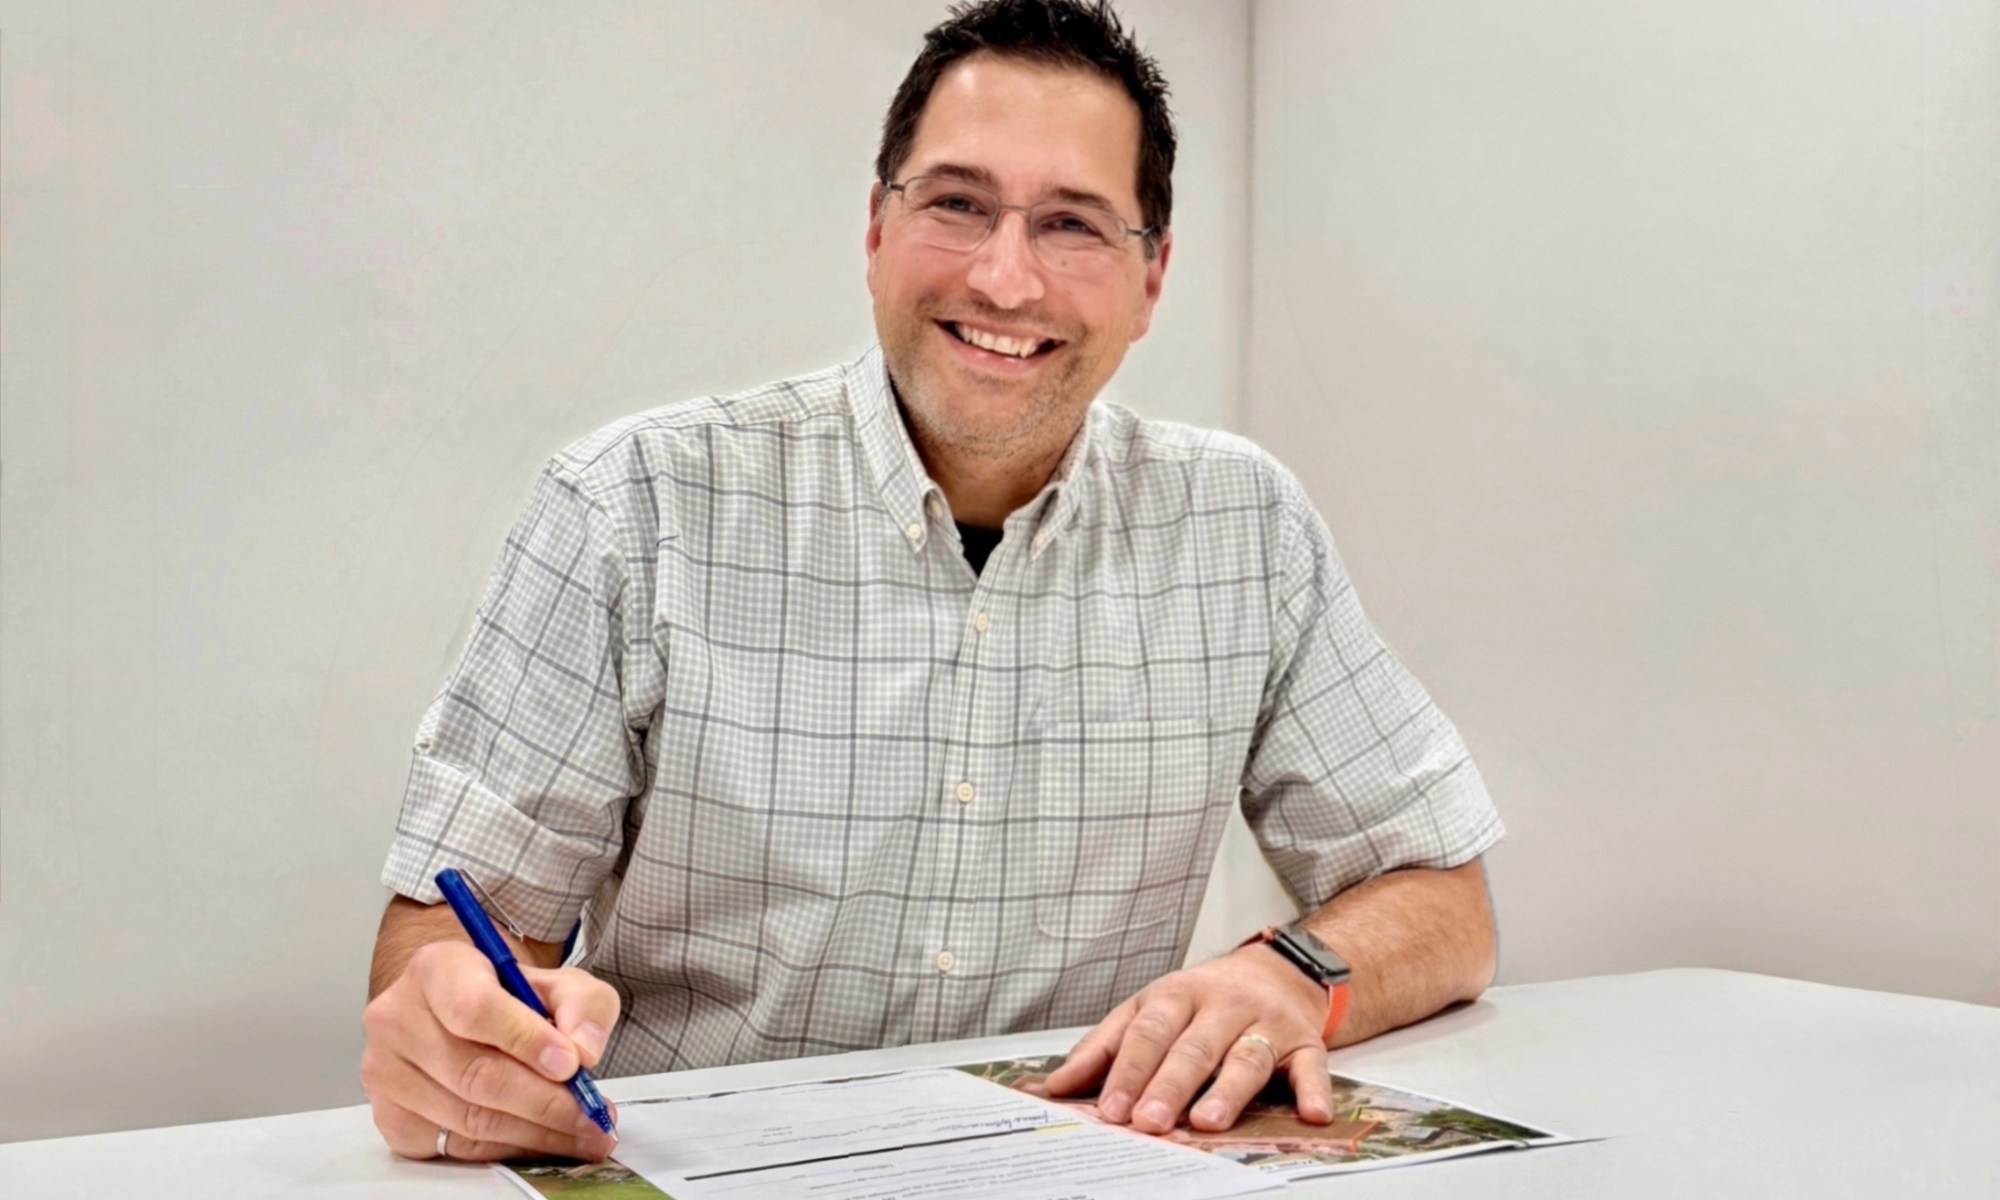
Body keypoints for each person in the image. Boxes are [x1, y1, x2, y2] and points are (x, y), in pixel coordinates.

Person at [361, 0, 1502, 1166]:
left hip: (1072, 1170)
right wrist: (457, 1037)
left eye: (1071, 225)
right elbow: (450, 941)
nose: (1004, 279)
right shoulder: (631, 506)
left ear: (1150, 280)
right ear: (875, 229)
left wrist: (1291, 975)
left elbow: (1443, 902)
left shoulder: (1242, 526)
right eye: (956, 205)